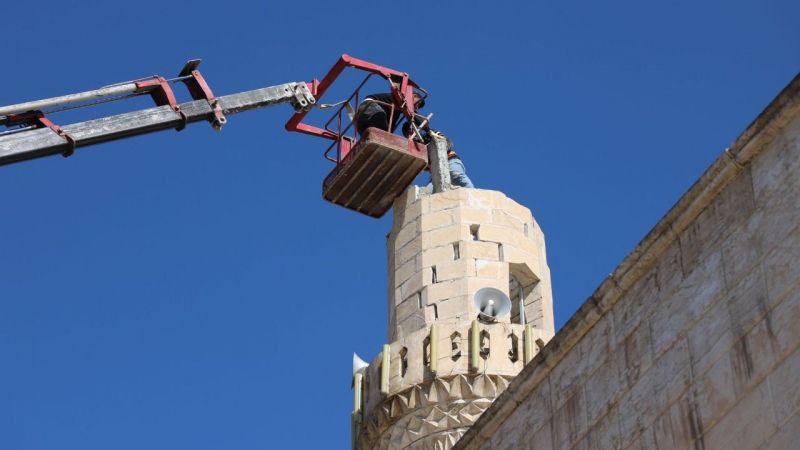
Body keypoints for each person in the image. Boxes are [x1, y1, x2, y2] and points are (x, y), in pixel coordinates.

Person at [354, 91, 425, 136]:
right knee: (383, 131)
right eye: (418, 103)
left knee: (379, 136)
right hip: (369, 107)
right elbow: (414, 115)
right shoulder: (401, 97)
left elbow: (389, 131)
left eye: (418, 106)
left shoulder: (396, 111)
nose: (417, 107)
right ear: (413, 96)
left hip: (361, 120)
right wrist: (427, 129)